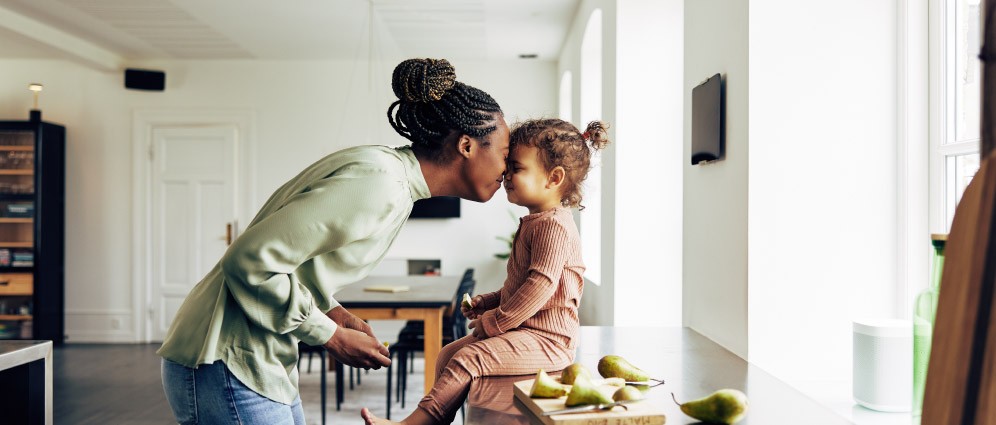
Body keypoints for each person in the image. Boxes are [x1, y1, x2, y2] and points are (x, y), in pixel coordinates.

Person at [157, 58, 511, 425]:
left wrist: (333, 313)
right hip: (226, 359)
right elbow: (249, 261)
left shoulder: (394, 182)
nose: (507, 170)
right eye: (504, 155)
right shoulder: (380, 183)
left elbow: (293, 264)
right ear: (467, 145)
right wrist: (330, 336)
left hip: (256, 360)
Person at [361, 118, 610, 425]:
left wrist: (496, 322)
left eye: (516, 168)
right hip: (526, 332)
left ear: (554, 178)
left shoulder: (553, 226)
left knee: (469, 359)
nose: (505, 174)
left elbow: (540, 286)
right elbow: (520, 285)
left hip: (549, 341)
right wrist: (489, 301)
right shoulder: (537, 222)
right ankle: (436, 420)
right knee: (448, 354)